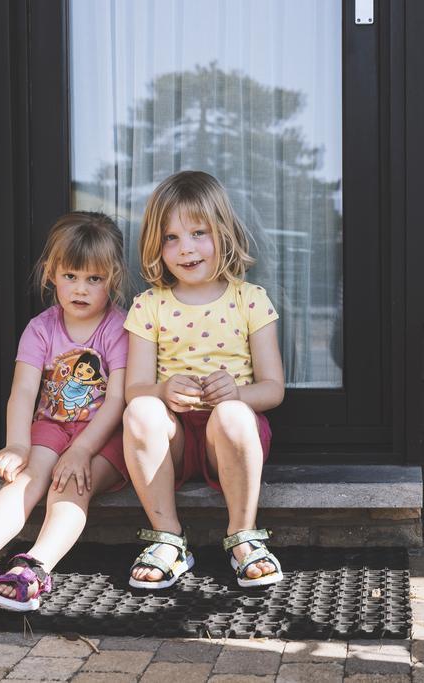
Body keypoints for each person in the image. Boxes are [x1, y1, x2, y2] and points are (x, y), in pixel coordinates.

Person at [0, 212, 130, 611]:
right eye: (71, 276)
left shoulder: (118, 328)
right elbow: (23, 391)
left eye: (95, 279)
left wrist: (82, 450)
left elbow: (118, 399)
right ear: (51, 273)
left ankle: (35, 567)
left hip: (104, 435)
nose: (81, 288)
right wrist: (18, 444)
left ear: (113, 280)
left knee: (72, 485)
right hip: (52, 427)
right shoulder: (41, 328)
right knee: (26, 479)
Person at [122, 170, 285, 589]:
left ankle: (243, 537)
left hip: (228, 438)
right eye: (171, 238)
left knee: (232, 414)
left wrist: (237, 394)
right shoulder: (149, 306)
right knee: (140, 411)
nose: (186, 248)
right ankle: (168, 538)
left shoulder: (250, 299)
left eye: (198, 232)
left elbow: (273, 388)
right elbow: (134, 389)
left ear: (223, 233)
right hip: (172, 437)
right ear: (156, 246)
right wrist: (161, 391)